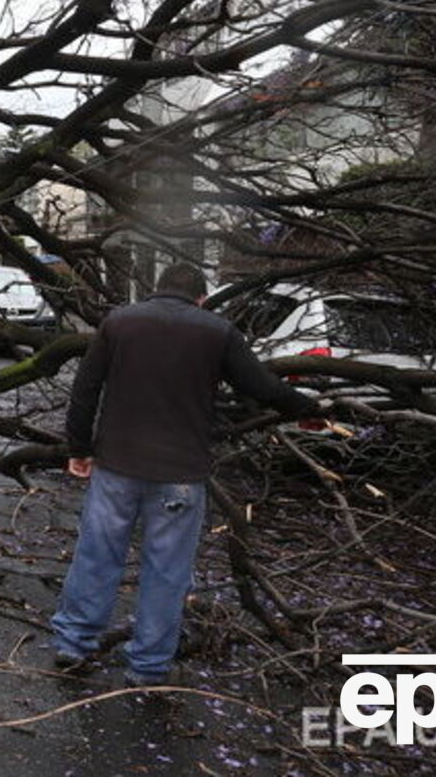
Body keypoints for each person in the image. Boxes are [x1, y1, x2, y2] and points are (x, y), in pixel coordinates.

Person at [51, 262, 323, 683]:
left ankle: (74, 643)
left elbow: (86, 387)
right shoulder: (217, 331)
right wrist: (308, 409)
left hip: (118, 463)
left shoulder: (119, 322)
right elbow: (261, 387)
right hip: (180, 471)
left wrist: (80, 447)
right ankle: (148, 664)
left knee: (98, 555)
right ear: (200, 298)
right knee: (167, 570)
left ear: (156, 290)